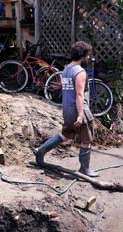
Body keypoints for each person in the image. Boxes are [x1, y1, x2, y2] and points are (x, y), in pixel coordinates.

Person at [34, 41, 98, 177]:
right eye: (88, 55)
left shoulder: (66, 69)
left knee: (66, 134)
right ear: (83, 55)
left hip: (67, 109)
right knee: (86, 140)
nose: (88, 58)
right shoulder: (80, 72)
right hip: (79, 109)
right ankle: (84, 169)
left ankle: (41, 149)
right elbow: (80, 95)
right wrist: (81, 115)